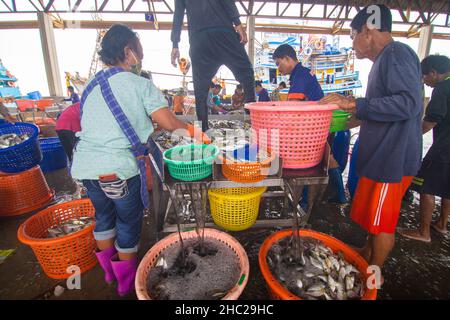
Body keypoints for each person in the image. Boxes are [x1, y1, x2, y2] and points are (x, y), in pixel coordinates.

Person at [70, 24, 208, 296]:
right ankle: (125, 283)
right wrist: (197, 133)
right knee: (127, 222)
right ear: (127, 51)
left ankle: (109, 275)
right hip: (118, 168)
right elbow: (169, 123)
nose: (140, 59)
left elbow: (100, 123)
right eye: (139, 52)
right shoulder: (140, 84)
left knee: (104, 218)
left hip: (86, 167)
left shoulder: (91, 85)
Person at [320, 5, 423, 285]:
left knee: (383, 222)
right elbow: (377, 110)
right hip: (380, 155)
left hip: (393, 159)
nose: (352, 43)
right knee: (373, 217)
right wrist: (334, 120)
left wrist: (352, 101)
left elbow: (408, 103)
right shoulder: (384, 61)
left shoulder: (398, 54)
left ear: (368, 30)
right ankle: (367, 251)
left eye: (353, 35)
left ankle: (373, 274)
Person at [273, 43, 347, 204]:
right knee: (328, 158)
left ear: (287, 58)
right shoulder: (302, 73)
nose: (278, 68)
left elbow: (293, 108)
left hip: (314, 127)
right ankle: (339, 197)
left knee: (309, 163)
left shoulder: (300, 75)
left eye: (278, 63)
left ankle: (305, 203)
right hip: (319, 124)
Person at [170, 0, 255, 131]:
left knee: (200, 90)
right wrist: (237, 23)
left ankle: (202, 132)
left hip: (199, 39)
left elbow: (178, 14)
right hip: (222, 31)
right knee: (247, 73)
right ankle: (253, 121)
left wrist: (175, 43)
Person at [399, 55, 450, 242]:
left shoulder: (442, 88)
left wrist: (411, 137)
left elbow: (431, 120)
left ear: (434, 73)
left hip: (444, 148)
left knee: (425, 185)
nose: (424, 81)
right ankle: (442, 224)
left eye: (425, 77)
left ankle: (423, 232)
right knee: (446, 187)